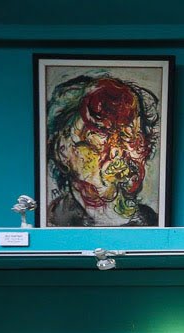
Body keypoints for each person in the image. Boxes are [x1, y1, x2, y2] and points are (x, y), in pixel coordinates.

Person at [45, 74, 161, 226]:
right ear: (62, 150)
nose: (116, 152)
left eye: (126, 136)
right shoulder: (56, 219)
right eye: (99, 136)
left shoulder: (150, 221)